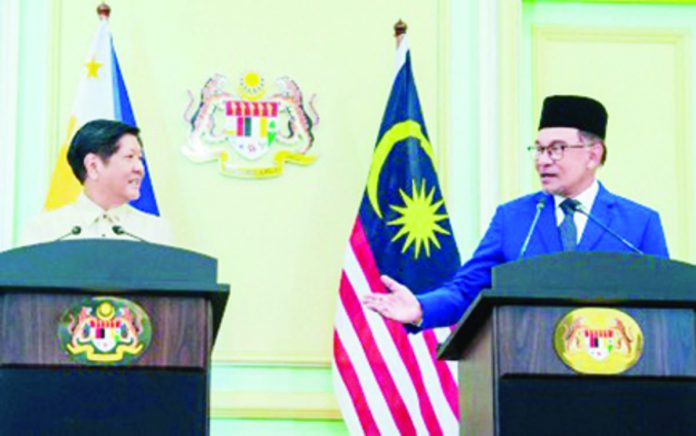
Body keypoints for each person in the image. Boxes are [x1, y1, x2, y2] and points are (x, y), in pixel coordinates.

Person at [362, 95, 669, 330]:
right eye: (538, 149)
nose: (542, 161)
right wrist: (421, 308)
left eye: (556, 149)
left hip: (619, 384)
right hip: (532, 375)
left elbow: (665, 308)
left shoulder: (638, 224)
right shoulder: (514, 219)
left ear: (593, 154)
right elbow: (466, 289)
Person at [19, 119, 173, 246]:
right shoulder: (46, 231)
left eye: (140, 159)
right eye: (129, 157)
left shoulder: (155, 232)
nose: (140, 168)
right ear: (93, 166)